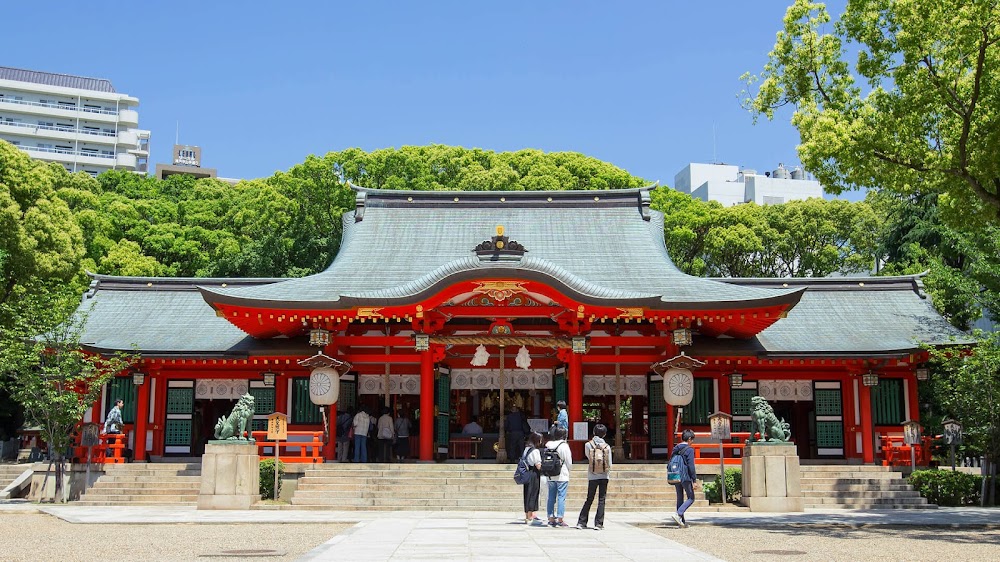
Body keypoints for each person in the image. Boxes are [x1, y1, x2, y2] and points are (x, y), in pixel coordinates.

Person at [577, 423, 612, 530]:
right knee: (602, 499)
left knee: (589, 498)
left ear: (593, 433)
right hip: (604, 476)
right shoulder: (607, 447)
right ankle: (599, 523)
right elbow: (609, 463)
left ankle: (582, 522)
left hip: (592, 475)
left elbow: (589, 458)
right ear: (605, 434)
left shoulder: (588, 445)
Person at [544, 425, 572, 527]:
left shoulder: (548, 445)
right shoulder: (564, 446)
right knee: (561, 497)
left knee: (551, 496)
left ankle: (550, 517)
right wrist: (568, 470)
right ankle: (560, 518)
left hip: (550, 474)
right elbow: (568, 461)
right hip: (562, 474)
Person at [670, 429, 698, 528]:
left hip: (676, 475)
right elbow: (691, 466)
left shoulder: (675, 448)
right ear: (689, 439)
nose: (692, 442)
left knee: (680, 497)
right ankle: (678, 514)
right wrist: (694, 480)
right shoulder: (689, 449)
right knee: (691, 497)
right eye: (692, 439)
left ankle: (681, 521)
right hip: (685, 476)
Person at [521, 431, 544, 525]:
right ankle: (530, 516)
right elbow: (538, 465)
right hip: (533, 473)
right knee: (533, 494)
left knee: (527, 494)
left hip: (527, 473)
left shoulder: (526, 449)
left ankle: (527, 515)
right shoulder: (535, 451)